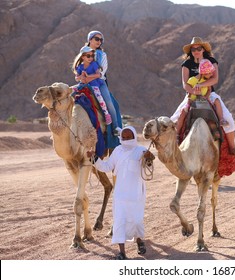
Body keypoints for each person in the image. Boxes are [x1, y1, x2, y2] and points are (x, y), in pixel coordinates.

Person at [88, 126, 155, 260]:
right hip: (120, 194)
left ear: (134, 137)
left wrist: (149, 159)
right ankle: (122, 252)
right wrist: (94, 159)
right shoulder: (118, 151)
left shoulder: (141, 150)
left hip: (136, 193)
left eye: (128, 137)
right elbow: (106, 167)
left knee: (136, 221)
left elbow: (148, 167)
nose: (125, 140)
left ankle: (139, 241)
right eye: (123, 137)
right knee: (119, 221)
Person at [171, 37, 235, 156]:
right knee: (174, 119)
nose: (196, 51)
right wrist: (194, 91)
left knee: (228, 119)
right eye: (193, 49)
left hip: (209, 93)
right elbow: (185, 83)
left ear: (203, 49)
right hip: (191, 94)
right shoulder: (187, 64)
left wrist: (200, 85)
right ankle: (175, 144)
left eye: (199, 48)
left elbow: (215, 79)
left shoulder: (211, 61)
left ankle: (232, 148)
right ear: (190, 51)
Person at [176, 58, 228, 134]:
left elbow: (209, 90)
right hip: (193, 100)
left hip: (205, 99)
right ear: (204, 73)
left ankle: (221, 120)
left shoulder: (207, 81)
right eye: (209, 73)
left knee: (216, 102)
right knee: (183, 113)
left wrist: (206, 97)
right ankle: (177, 133)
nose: (211, 75)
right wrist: (194, 94)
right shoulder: (192, 80)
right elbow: (188, 91)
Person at [85, 31, 121, 132]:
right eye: (97, 39)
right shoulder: (83, 52)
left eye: (101, 40)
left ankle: (115, 127)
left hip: (100, 82)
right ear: (90, 39)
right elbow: (79, 66)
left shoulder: (103, 55)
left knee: (109, 103)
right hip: (85, 82)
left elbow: (102, 72)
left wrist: (89, 77)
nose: (99, 41)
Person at [72, 45, 112, 125]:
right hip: (83, 84)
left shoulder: (94, 64)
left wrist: (88, 76)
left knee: (99, 97)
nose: (91, 58)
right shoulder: (80, 67)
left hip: (94, 84)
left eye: (92, 56)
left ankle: (106, 114)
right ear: (82, 57)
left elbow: (98, 75)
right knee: (71, 92)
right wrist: (81, 76)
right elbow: (77, 78)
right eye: (88, 56)